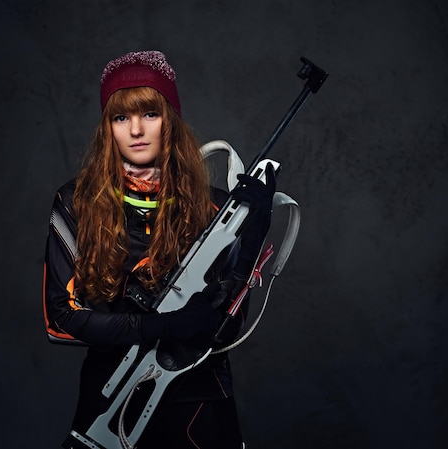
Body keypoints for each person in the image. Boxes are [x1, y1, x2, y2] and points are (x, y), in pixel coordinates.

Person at [43, 50, 275, 449]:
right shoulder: (76, 201)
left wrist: (252, 230)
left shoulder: (218, 208)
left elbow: (227, 327)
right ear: (108, 128)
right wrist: (161, 327)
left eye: (150, 114)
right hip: (109, 399)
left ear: (171, 120)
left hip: (199, 404)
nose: (136, 130)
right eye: (121, 117)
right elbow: (60, 320)